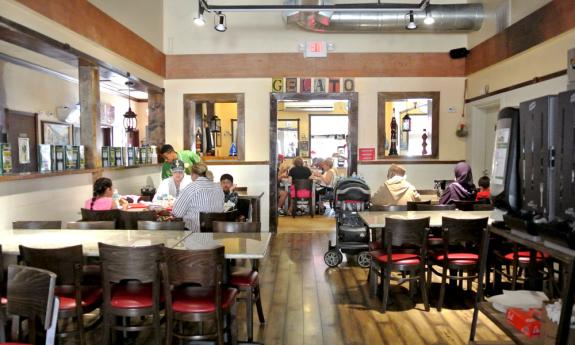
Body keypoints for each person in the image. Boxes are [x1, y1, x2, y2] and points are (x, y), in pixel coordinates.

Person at [172, 163, 224, 232]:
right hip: (216, 236)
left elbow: (177, 213)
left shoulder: (191, 187)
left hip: (193, 236)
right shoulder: (218, 187)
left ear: (193, 174)